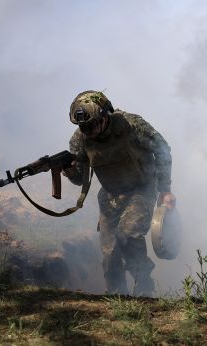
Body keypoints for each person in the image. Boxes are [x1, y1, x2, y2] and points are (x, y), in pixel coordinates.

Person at [62, 90, 175, 296]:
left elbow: (162, 149)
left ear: (104, 116)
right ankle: (115, 296)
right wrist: (69, 170)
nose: (87, 131)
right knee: (110, 252)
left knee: (128, 235)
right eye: (82, 127)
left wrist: (165, 189)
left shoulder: (131, 125)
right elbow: (80, 179)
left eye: (91, 125)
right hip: (110, 195)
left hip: (141, 189)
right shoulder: (79, 140)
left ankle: (144, 289)